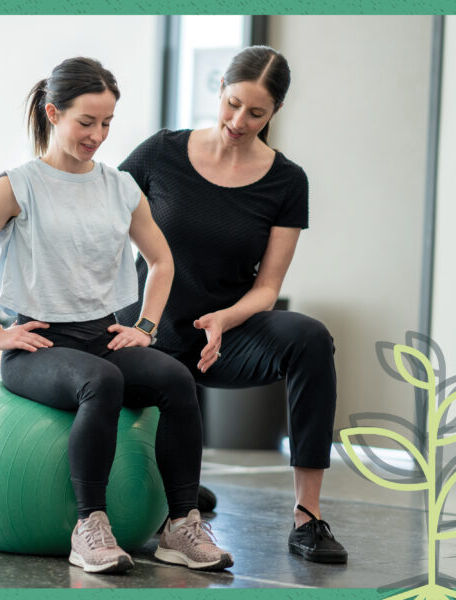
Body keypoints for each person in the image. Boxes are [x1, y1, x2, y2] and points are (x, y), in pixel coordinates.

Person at [0, 57, 233, 574]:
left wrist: (144, 326)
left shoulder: (119, 186)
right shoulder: (18, 185)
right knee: (100, 382)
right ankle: (89, 526)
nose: (96, 135)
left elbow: (162, 261)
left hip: (103, 335)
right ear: (53, 113)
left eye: (106, 124)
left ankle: (180, 525)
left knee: (175, 378)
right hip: (41, 346)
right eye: (85, 122)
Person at [116, 46, 348, 564]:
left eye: (256, 113)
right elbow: (96, 215)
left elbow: (267, 287)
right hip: (148, 328)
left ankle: (307, 518)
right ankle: (176, 492)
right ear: (220, 88)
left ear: (275, 114)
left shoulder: (287, 181)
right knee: (159, 388)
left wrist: (226, 318)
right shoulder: (161, 153)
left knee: (310, 338)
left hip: (226, 333)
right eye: (233, 104)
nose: (238, 121)